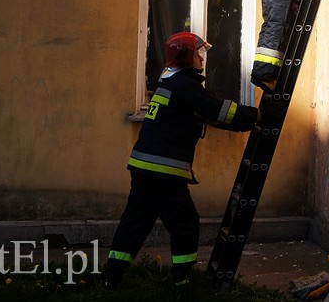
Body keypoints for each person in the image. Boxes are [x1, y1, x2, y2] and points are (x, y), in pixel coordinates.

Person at [104, 31, 261, 290]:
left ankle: (112, 276)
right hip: (163, 170)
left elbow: (210, 116)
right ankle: (182, 280)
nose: (202, 58)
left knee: (135, 222)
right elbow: (219, 111)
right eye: (198, 53)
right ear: (186, 55)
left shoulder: (171, 83)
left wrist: (245, 124)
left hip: (144, 167)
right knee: (185, 222)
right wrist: (257, 115)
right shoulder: (186, 86)